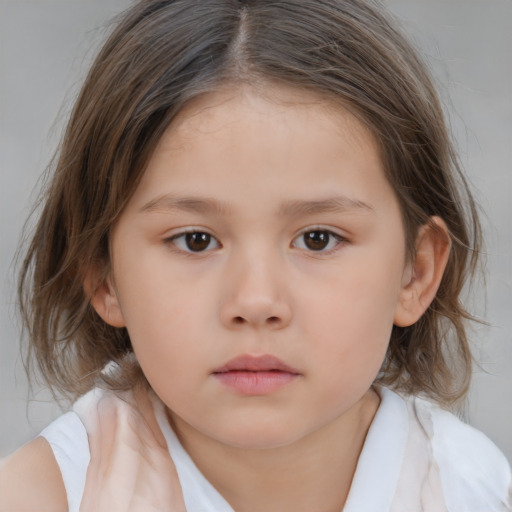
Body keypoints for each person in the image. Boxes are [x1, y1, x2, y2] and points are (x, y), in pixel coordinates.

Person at [0, 0, 510, 510]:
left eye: (318, 239)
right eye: (195, 240)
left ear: (415, 272)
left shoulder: (470, 488)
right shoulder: (43, 496)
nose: (257, 300)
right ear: (104, 276)